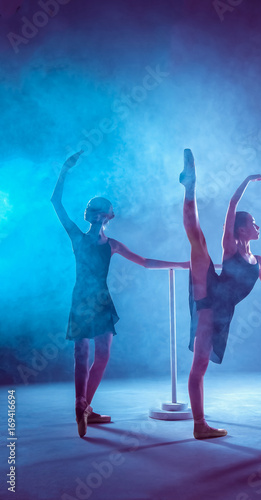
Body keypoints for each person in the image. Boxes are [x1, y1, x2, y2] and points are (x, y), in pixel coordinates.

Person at [51, 151, 188, 438]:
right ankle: (80, 407)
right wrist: (65, 168)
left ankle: (85, 406)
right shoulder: (81, 237)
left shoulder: (110, 243)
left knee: (100, 355)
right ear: (95, 215)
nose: (100, 217)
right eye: (97, 213)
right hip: (84, 298)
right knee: (83, 353)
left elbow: (146, 262)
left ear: (106, 216)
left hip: (100, 299)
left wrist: (179, 263)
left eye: (102, 213)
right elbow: (56, 203)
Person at [180, 149, 261, 439]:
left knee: (201, 364)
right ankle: (191, 186)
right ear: (241, 229)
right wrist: (247, 180)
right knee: (197, 239)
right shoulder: (231, 246)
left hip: (224, 311)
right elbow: (231, 204)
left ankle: (200, 425)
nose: (258, 226)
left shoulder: (260, 260)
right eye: (254, 222)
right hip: (210, 295)